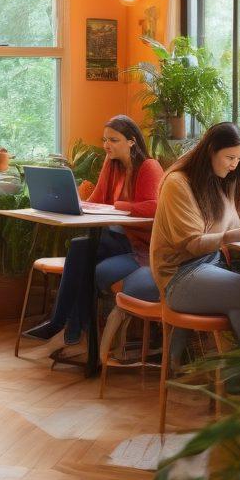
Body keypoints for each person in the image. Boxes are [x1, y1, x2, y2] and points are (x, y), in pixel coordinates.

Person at [150, 122, 240, 348]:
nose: (234, 166)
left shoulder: (232, 180)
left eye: (239, 159)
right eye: (230, 157)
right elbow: (194, 244)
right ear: (210, 150)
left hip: (220, 266)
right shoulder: (178, 183)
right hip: (181, 275)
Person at [22, 115, 163, 346]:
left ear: (132, 141)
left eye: (114, 140)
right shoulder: (111, 164)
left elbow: (155, 208)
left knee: (81, 256)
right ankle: (71, 330)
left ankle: (67, 328)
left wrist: (120, 206)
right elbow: (97, 199)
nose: (107, 145)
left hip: (138, 246)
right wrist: (79, 202)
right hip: (113, 239)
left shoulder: (149, 167)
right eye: (105, 140)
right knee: (79, 249)